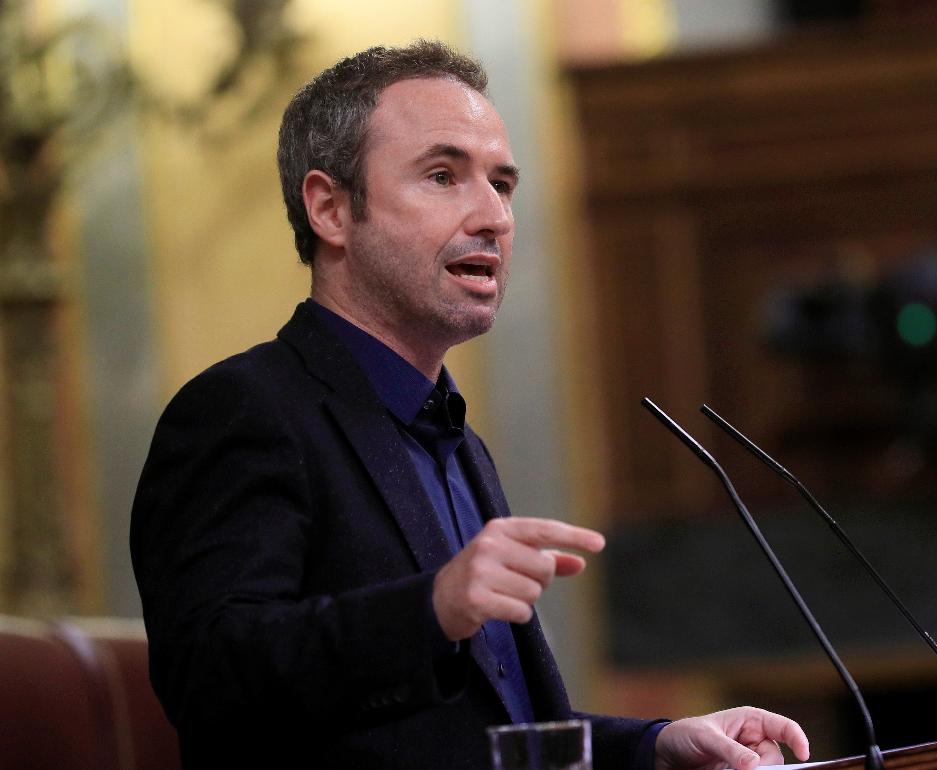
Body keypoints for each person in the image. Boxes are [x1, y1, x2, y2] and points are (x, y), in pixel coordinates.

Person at [130, 40, 811, 770]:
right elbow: (209, 680)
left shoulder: (457, 440)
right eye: (444, 175)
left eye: (503, 184)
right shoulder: (245, 411)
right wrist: (431, 610)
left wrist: (655, 745)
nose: (493, 216)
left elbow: (480, 738)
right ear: (330, 208)